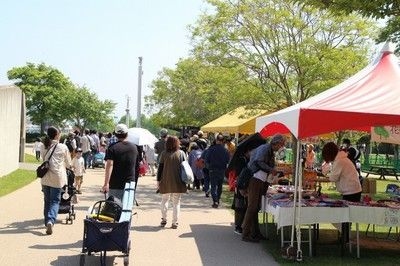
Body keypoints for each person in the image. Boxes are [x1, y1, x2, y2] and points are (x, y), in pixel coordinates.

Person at [241, 134, 286, 243]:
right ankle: (245, 233)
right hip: (255, 179)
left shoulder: (269, 150)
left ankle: (255, 233)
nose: (281, 147)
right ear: (277, 143)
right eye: (281, 145)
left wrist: (272, 171)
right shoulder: (265, 148)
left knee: (256, 207)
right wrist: (271, 170)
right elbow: (258, 162)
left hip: (260, 179)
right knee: (252, 207)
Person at [321, 141, 362, 242]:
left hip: (351, 191)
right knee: (346, 215)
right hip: (352, 190)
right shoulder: (341, 159)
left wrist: (319, 179)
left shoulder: (340, 161)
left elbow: (333, 178)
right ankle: (344, 237)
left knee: (345, 215)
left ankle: (345, 238)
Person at [40, 126, 72, 235]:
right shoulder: (62, 147)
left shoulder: (43, 145)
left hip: (45, 177)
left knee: (47, 200)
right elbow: (68, 163)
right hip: (57, 178)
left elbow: (43, 159)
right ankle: (50, 220)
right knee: (54, 201)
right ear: (57, 135)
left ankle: (47, 221)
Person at [157, 136, 187, 229]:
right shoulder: (181, 153)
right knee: (176, 202)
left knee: (164, 200)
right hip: (178, 181)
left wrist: (158, 181)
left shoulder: (163, 154)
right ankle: (175, 222)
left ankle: (164, 219)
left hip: (165, 180)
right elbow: (185, 168)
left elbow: (160, 168)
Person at [102, 124, 138, 201]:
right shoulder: (134, 148)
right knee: (127, 210)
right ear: (127, 134)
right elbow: (136, 166)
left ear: (115, 135)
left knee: (114, 209)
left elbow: (109, 165)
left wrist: (106, 183)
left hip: (115, 183)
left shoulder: (112, 148)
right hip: (130, 183)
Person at [204, 134, 230, 208]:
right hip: (222, 170)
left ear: (216, 140)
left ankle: (215, 201)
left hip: (212, 169)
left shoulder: (211, 149)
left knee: (213, 186)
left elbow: (207, 159)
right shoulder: (225, 150)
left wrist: (208, 167)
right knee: (219, 186)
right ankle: (217, 199)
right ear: (222, 141)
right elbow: (228, 160)